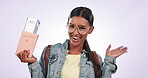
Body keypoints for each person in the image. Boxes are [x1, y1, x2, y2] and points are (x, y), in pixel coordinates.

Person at [17, 6, 128, 78]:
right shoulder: (51, 51)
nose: (75, 32)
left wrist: (108, 62)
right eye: (72, 26)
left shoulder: (95, 59)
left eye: (82, 28)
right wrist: (32, 62)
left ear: (90, 30)